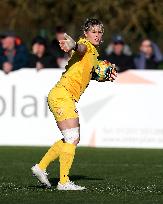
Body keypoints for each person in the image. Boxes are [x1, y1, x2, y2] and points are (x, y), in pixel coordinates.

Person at [31, 18, 117, 191]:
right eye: (94, 31)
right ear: (86, 33)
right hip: (62, 95)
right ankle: (63, 182)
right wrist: (74, 45)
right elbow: (81, 48)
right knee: (73, 137)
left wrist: (101, 76)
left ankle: (41, 167)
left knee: (70, 138)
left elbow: (86, 73)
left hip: (62, 96)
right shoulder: (86, 45)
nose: (97, 35)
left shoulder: (94, 55)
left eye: (100, 32)